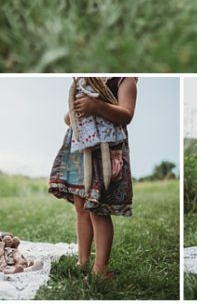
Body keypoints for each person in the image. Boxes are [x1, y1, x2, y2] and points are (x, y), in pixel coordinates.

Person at [48, 76, 137, 279]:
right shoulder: (85, 80)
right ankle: (83, 260)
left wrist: (96, 106)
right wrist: (76, 109)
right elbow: (68, 118)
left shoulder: (124, 79)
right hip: (80, 150)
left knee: (98, 209)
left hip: (105, 151)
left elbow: (127, 115)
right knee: (81, 207)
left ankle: (101, 268)